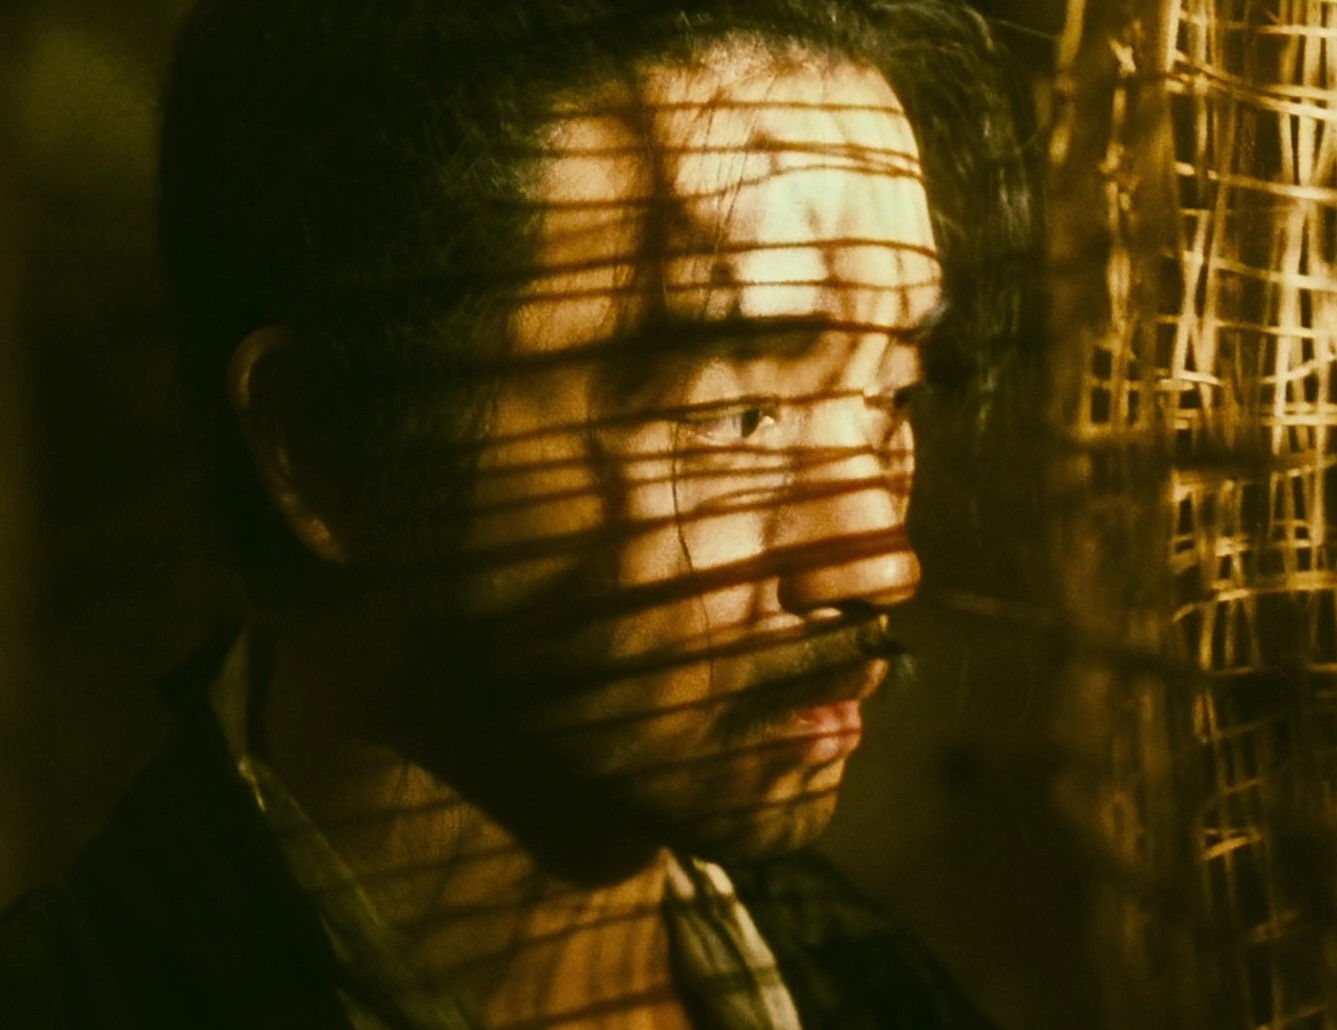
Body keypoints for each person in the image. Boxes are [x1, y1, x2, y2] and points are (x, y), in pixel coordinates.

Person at [0, 0, 1030, 1025]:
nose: (881, 564)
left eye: (894, 394)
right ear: (325, 448)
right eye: (739, 413)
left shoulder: (875, 991)